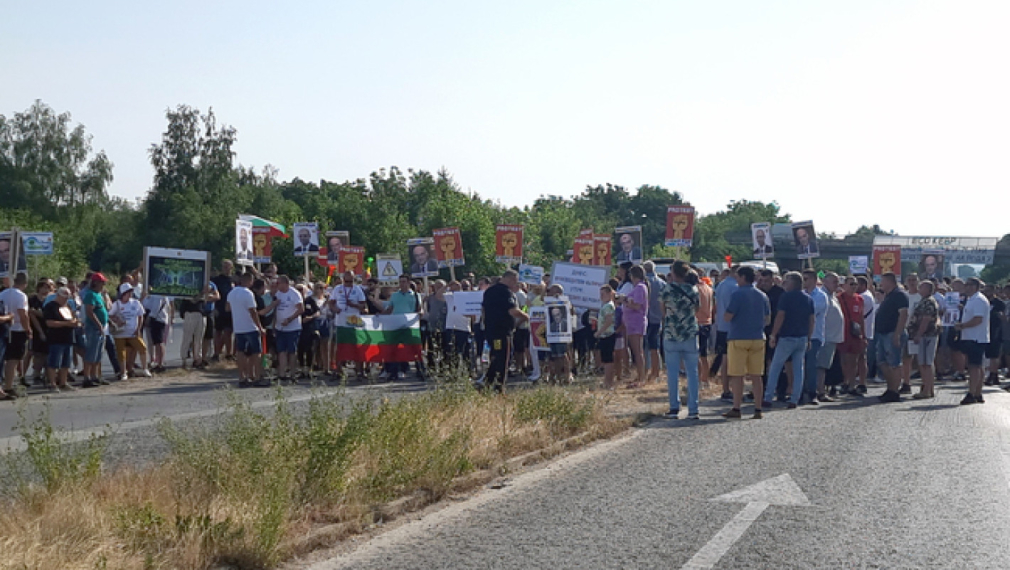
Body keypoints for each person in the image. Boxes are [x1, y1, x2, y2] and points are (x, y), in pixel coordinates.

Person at [722, 266, 770, 419]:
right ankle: (758, 409)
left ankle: (736, 408)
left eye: (738, 277)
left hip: (738, 337)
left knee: (738, 375)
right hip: (758, 337)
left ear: (743, 277)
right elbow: (767, 319)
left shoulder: (737, 294)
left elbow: (728, 316)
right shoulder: (762, 296)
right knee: (757, 376)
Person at [763, 272, 814, 409]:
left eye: (786, 281)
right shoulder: (808, 298)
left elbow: (780, 316)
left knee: (775, 367)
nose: (784, 284)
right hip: (802, 337)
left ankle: (768, 397)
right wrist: (809, 337)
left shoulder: (786, 297)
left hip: (787, 337)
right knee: (799, 369)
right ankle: (795, 398)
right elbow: (811, 320)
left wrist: (773, 334)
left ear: (792, 283)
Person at [661, 261, 701, 420]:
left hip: (671, 333)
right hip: (690, 333)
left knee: (672, 373)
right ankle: (693, 408)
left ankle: (674, 407)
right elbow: (697, 309)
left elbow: (662, 311)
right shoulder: (693, 290)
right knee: (692, 373)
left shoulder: (667, 289)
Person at [481, 269, 528, 392]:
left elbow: (483, 310)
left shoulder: (489, 291)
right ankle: (499, 387)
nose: (515, 284)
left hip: (491, 330)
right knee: (504, 359)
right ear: (511, 279)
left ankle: (487, 383)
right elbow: (512, 311)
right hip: (502, 331)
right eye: (515, 281)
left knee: (496, 357)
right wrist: (527, 316)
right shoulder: (506, 292)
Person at [381, 275, 424, 381]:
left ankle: (420, 370)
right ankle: (394, 371)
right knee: (395, 348)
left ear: (409, 282)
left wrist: (420, 313)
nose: (402, 284)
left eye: (404, 281)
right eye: (400, 282)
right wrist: (380, 316)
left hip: (410, 326)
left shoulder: (415, 295)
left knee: (414, 348)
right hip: (396, 325)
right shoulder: (394, 296)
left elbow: (420, 309)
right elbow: (390, 309)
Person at [876, 273, 910, 403]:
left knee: (894, 363)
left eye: (882, 281)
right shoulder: (889, 296)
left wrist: (897, 333)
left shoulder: (899, 295)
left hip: (892, 333)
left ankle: (894, 391)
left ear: (890, 282)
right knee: (882, 362)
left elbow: (903, 315)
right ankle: (890, 388)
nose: (881, 284)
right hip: (883, 333)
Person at [227, 272, 265, 387]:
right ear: (249, 281)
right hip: (250, 327)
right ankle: (257, 377)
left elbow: (227, 308)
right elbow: (253, 311)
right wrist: (260, 327)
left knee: (240, 352)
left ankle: (242, 377)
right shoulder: (248, 293)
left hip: (238, 327)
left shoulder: (232, 292)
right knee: (256, 352)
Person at [955, 278, 990, 405]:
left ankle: (972, 392)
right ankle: (977, 392)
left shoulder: (979, 300)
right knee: (977, 365)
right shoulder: (972, 299)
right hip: (972, 336)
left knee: (974, 367)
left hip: (976, 337)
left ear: (975, 286)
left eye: (968, 285)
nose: (966, 287)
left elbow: (978, 319)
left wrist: (962, 325)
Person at [329, 271, 368, 380]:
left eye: (351, 281)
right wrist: (335, 309)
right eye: (346, 281)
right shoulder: (337, 289)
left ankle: (360, 370)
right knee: (340, 346)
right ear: (343, 279)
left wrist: (353, 305)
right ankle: (338, 370)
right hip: (341, 321)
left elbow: (362, 305)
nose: (348, 283)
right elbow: (331, 302)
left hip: (354, 321)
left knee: (356, 346)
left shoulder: (357, 289)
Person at [109, 283, 152, 380]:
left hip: (132, 332)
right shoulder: (117, 304)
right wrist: (117, 320)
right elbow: (110, 315)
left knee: (142, 348)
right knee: (121, 353)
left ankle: (145, 369)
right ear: (123, 293)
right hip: (120, 333)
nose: (130, 294)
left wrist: (138, 329)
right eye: (128, 292)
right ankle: (123, 372)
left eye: (131, 292)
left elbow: (140, 316)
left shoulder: (136, 303)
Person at [907, 281, 940, 399]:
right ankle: (928, 389)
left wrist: (919, 334)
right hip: (925, 336)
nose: (919, 288)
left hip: (927, 336)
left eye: (921, 287)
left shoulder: (929, 302)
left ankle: (927, 390)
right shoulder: (924, 301)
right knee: (924, 363)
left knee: (926, 363)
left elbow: (926, 319)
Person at [1, 273, 31, 399]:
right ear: (24, 283)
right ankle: (8, 386)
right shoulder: (21, 296)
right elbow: (22, 313)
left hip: (6, 329)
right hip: (17, 329)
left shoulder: (2, 293)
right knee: (13, 359)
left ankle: (8, 384)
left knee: (6, 359)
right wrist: (28, 329)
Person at [43, 287, 78, 392]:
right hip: (56, 338)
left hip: (68, 338)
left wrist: (75, 322)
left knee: (66, 362)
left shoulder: (67, 306)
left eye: (67, 298)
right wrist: (66, 324)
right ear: (58, 295)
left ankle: (63, 382)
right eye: (64, 297)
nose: (66, 299)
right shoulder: (50, 306)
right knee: (54, 362)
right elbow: (49, 323)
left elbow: (72, 318)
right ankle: (52, 383)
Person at [816, 273, 844, 402]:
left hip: (833, 337)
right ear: (824, 282)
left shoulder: (833, 296)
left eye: (837, 282)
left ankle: (823, 389)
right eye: (834, 281)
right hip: (825, 336)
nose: (837, 284)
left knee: (826, 366)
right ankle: (820, 392)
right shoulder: (822, 296)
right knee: (821, 366)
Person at [800, 269, 827, 405]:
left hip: (814, 336)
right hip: (800, 335)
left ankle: (812, 393)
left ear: (814, 280)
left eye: (806, 279)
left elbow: (811, 313)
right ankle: (799, 393)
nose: (804, 282)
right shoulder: (801, 294)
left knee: (811, 366)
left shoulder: (821, 296)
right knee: (799, 365)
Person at [837, 276, 866, 397]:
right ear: (844, 285)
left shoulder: (859, 299)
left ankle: (852, 384)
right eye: (851, 284)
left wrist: (863, 335)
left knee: (854, 360)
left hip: (854, 333)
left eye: (855, 284)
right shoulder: (839, 298)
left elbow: (861, 318)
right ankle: (845, 381)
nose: (854, 286)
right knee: (843, 359)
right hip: (841, 333)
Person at [272, 276, 304, 383]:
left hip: (292, 327)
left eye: (279, 283)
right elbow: (276, 309)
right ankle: (282, 374)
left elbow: (300, 309)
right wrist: (274, 324)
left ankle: (293, 374)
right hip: (280, 327)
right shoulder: (278, 294)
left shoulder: (294, 294)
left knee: (292, 351)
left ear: (285, 283)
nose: (277, 285)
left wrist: (289, 319)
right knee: (281, 350)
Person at [80, 273, 110, 388]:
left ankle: (95, 376)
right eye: (102, 282)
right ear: (95, 283)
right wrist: (98, 324)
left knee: (98, 354)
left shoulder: (99, 295)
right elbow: (90, 312)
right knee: (91, 352)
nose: (104, 284)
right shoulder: (90, 295)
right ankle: (87, 377)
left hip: (101, 328)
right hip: (93, 327)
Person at [713, 266, 738, 400]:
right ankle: (733, 388)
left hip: (721, 326)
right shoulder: (735, 287)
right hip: (732, 327)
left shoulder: (721, 285)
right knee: (732, 360)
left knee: (724, 358)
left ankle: (725, 388)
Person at [624, 266, 649, 387]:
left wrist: (625, 301)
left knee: (637, 351)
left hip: (636, 322)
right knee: (636, 351)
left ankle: (641, 377)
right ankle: (640, 376)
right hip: (633, 322)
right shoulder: (639, 287)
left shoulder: (640, 287)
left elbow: (637, 306)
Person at [643, 261, 665, 384]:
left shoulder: (644, 283)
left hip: (646, 317)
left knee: (645, 347)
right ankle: (656, 372)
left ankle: (646, 371)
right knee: (654, 346)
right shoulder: (662, 283)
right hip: (658, 318)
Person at [142, 291, 172, 373]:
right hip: (157, 319)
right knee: (157, 342)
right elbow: (145, 304)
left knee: (159, 342)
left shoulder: (158, 295)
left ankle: (160, 364)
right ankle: (158, 363)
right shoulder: (153, 295)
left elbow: (156, 308)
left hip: (158, 320)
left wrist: (150, 317)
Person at [211, 260, 235, 361]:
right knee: (218, 332)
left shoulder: (234, 280)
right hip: (219, 308)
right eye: (224, 266)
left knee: (228, 332)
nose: (226, 268)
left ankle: (229, 354)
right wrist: (214, 308)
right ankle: (216, 353)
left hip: (231, 309)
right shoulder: (217, 280)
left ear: (231, 267)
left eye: (228, 266)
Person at [695, 268, 715, 385]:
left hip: (697, 322)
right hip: (707, 322)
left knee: (695, 353)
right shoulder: (708, 288)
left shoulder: (695, 289)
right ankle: (705, 379)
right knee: (704, 353)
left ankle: (697, 380)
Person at [595, 285, 618, 389]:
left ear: (609, 294)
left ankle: (608, 382)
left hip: (608, 335)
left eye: (603, 294)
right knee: (606, 359)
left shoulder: (608, 306)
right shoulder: (606, 305)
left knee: (608, 360)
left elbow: (609, 321)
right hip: (605, 335)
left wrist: (599, 332)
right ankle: (607, 381)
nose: (601, 296)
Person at [179, 288, 207, 369]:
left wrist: (207, 294)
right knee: (187, 338)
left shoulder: (203, 283)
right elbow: (192, 300)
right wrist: (201, 294)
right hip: (190, 312)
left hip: (201, 313)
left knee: (199, 339)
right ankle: (184, 360)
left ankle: (198, 360)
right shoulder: (188, 287)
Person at [982, 283, 1004, 386]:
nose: (987, 293)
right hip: (986, 329)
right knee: (989, 354)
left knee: (995, 354)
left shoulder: (999, 303)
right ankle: (991, 374)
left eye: (989, 291)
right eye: (985, 291)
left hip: (996, 330)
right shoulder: (984, 302)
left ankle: (993, 374)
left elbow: (1002, 316)